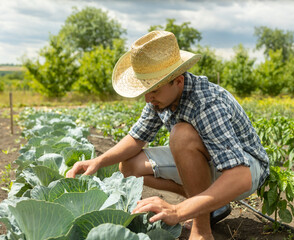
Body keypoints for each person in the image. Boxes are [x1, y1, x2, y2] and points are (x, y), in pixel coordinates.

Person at [66, 30, 269, 240]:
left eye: (153, 90)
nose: (147, 98)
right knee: (129, 165)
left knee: (181, 135)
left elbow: (240, 176)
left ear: (178, 81)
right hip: (213, 163)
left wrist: (178, 211)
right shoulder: (161, 98)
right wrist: (98, 161)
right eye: (146, 89)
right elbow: (137, 138)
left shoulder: (206, 103)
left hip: (247, 168)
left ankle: (202, 231)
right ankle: (208, 205)